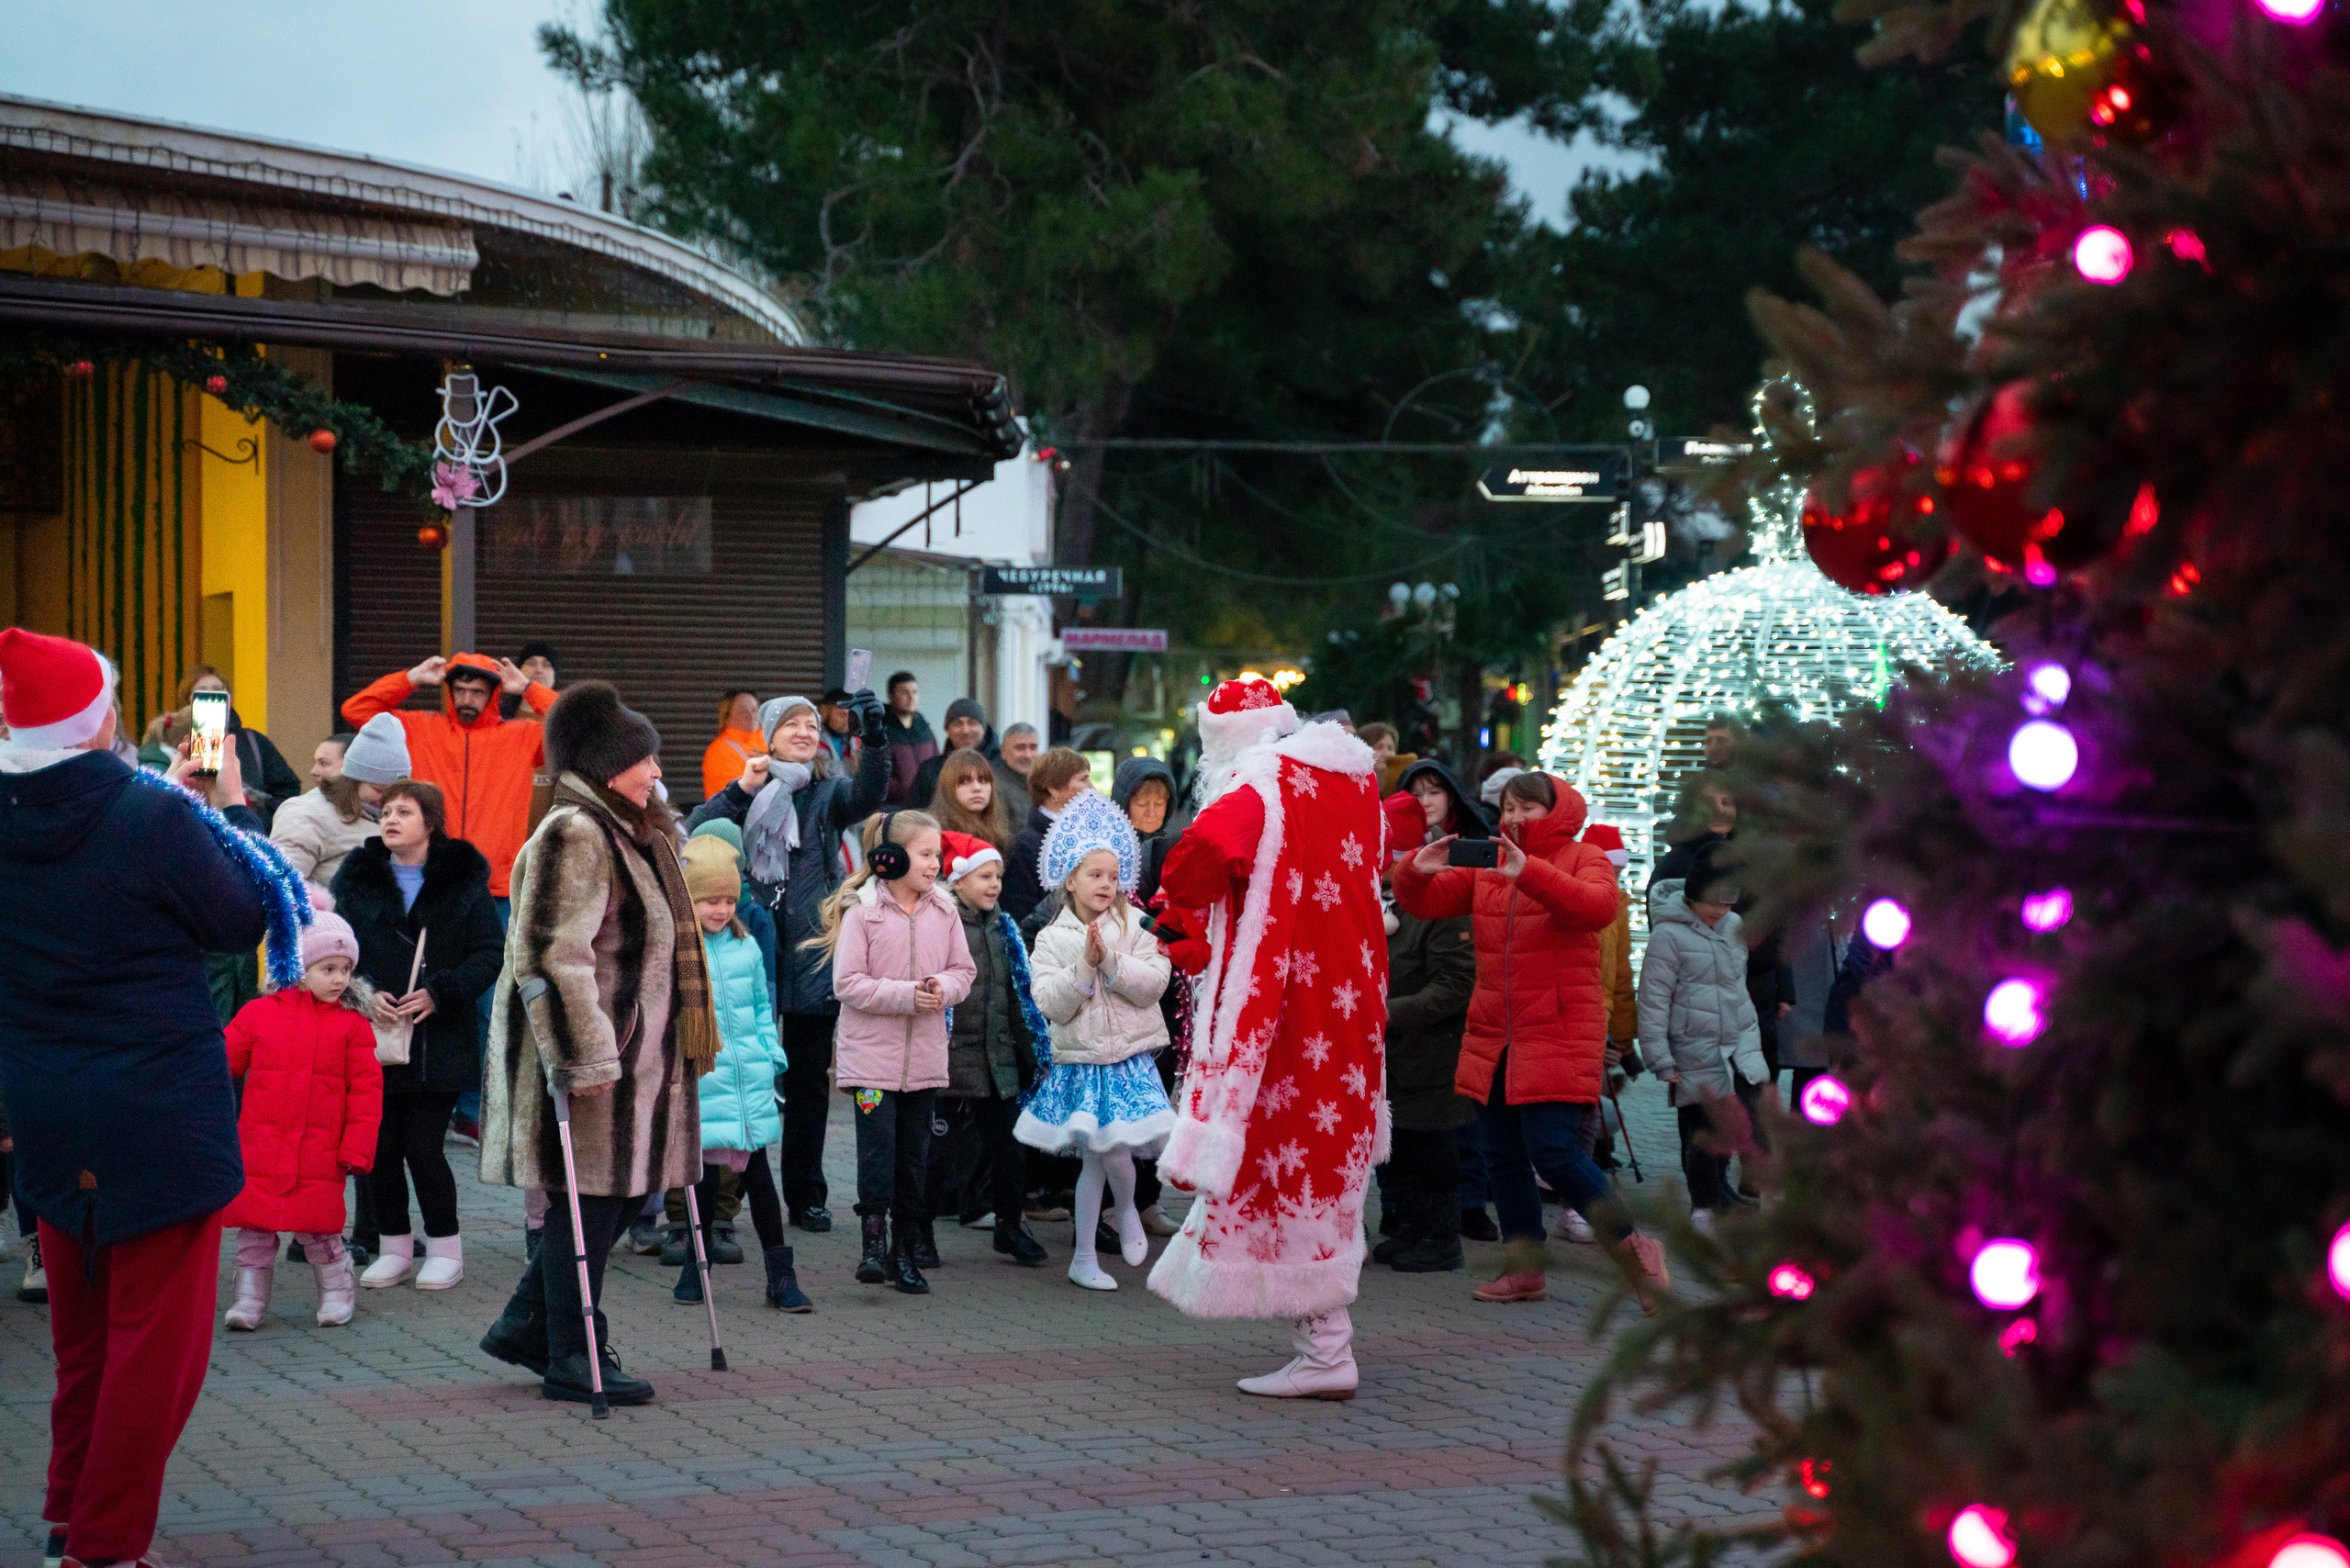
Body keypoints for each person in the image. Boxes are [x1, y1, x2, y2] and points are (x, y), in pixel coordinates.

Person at [0, 628, 307, 1568]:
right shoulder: (150, 814)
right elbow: (239, 918)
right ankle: (103, 1547)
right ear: (99, 720)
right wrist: (220, 806)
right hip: (160, 1112)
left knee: (85, 1344)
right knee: (154, 1353)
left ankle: (70, 1519)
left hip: (49, 1107)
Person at [1146, 677, 1388, 1400]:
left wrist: (1179, 905)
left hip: (1279, 1012)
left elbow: (1197, 860)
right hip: (1349, 1009)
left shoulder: (1257, 785)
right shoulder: (1354, 780)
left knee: (1277, 1159)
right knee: (1323, 1162)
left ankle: (1326, 1351)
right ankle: (1323, 1342)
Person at [476, 682, 714, 1406]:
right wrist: (584, 1056)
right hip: (599, 1059)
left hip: (639, 1060)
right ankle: (573, 1352)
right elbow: (552, 953)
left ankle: (527, 1325)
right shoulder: (577, 832)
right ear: (610, 765)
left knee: (619, 1194)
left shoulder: (633, 833)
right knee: (588, 1204)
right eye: (645, 759)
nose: (656, 772)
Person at [1392, 769, 1670, 1311]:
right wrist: (1414, 871)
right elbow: (1425, 903)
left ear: (1555, 811)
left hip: (1557, 1029)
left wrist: (1530, 872)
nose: (1516, 818)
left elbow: (1596, 908)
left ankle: (1635, 1250)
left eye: (1528, 808)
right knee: (1503, 1156)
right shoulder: (1490, 864)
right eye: (1509, 808)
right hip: (1495, 1032)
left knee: (1554, 1151)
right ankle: (1524, 1267)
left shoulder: (1585, 856)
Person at [687, 689, 891, 1233]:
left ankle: (805, 1195)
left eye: (810, 725)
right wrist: (742, 788)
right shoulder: (749, 785)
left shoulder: (829, 791)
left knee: (807, 1082)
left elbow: (870, 793)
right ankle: (723, 1205)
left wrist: (875, 738)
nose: (803, 732)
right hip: (746, 945)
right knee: (735, 1072)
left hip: (811, 948)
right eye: (790, 724)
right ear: (769, 735)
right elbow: (701, 831)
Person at [332, 780, 504, 1291]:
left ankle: (446, 1248)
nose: (390, 819)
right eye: (386, 811)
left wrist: (441, 992)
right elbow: (337, 949)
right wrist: (363, 993)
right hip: (377, 1036)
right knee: (382, 1148)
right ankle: (395, 1247)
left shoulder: (463, 878)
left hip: (440, 1039)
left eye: (404, 812)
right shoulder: (359, 876)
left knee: (423, 1146)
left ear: (430, 823)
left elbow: (489, 953)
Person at [812, 809, 975, 1295]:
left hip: (924, 1063)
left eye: (937, 854)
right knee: (877, 1154)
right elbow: (847, 983)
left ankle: (905, 1252)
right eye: (925, 854)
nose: (935, 864)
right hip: (871, 1066)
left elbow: (963, 972)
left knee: (913, 1160)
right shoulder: (863, 912)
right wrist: (907, 995)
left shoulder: (945, 911)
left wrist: (942, 987)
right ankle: (872, 1247)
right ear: (892, 857)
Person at [1017, 793, 1175, 1292]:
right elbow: (1050, 1002)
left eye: (1113, 875)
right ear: (1070, 880)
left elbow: (1156, 982)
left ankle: (1125, 1209)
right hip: (1082, 1066)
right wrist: (1085, 966)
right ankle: (1084, 1257)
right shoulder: (1051, 938)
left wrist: (1111, 962)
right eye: (1095, 875)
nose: (1106, 884)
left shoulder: (1135, 926)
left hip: (1127, 1062)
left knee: (1119, 1153)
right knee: (1096, 1159)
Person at [219, 909, 383, 1331]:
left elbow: (366, 1093)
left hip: (319, 1152)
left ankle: (337, 1290)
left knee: (320, 1231)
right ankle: (249, 1299)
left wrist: (358, 1148)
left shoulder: (352, 1026)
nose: (340, 979)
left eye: (346, 969)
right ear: (297, 967)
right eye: (328, 969)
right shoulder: (258, 1014)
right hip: (261, 1148)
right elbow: (221, 1065)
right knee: (255, 1231)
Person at [674, 835, 810, 1313]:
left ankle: (781, 1274)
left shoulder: (746, 946)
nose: (721, 909)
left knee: (759, 1177)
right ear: (689, 899)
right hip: (704, 1079)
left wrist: (771, 1054)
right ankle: (696, 1264)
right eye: (710, 900)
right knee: (703, 1181)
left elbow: (759, 1006)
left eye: (729, 900)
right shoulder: (677, 952)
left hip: (748, 1078)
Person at [341, 653, 557, 903]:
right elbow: (355, 710)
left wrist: (527, 688)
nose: (467, 699)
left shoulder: (523, 735)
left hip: (497, 886)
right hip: (430, 879)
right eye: (460, 690)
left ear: (493, 694)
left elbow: (579, 726)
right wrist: (411, 678)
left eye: (477, 692)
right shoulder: (420, 728)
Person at [1640, 840, 1770, 1236]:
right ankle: (1704, 1208)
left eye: (1727, 904)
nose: (1719, 911)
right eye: (1712, 903)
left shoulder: (1733, 927)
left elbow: (1737, 986)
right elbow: (1653, 1000)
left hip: (1738, 1043)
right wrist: (1660, 1058)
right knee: (1702, 1130)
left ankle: (1721, 1191)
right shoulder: (1668, 936)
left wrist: (1751, 1038)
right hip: (1693, 1048)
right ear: (1693, 895)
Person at [935, 831, 1051, 1265]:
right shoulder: (941, 923)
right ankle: (918, 1232)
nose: (995, 885)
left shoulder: (1005, 927)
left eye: (998, 877)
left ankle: (1009, 1226)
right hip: (948, 1059)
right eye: (984, 876)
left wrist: (1033, 1054)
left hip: (996, 1057)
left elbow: (1018, 995)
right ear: (959, 880)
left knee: (1009, 1149)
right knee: (938, 1153)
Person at [1375, 846, 1477, 1274]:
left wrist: (1391, 1012)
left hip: (1431, 1049)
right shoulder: (1384, 901)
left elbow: (1456, 981)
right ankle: (1411, 1228)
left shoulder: (1442, 906)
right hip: (1394, 1050)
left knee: (1430, 1144)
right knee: (1400, 1143)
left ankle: (1441, 1238)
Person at [139, 666, 305, 828]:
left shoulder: (252, 740)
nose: (212, 696)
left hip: (248, 827)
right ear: (188, 700)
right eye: (202, 691)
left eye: (219, 690)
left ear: (229, 698)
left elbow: (288, 786)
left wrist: (255, 817)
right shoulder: (172, 743)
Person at [271, 714, 410, 899]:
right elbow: (280, 888)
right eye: (378, 789)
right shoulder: (305, 814)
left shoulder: (387, 817)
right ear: (353, 780)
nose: (387, 799)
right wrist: (329, 912)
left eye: (394, 792)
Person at [1002, 746, 1093, 924]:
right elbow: (1021, 918)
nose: (1092, 788)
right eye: (1083, 779)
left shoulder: (1090, 837)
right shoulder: (1025, 846)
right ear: (1054, 789)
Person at [909, 696, 996, 808]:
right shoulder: (930, 771)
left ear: (984, 729)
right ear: (947, 730)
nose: (965, 731)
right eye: (958, 724)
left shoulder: (999, 768)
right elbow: (912, 813)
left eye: (972, 723)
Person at [926, 745, 1013, 851]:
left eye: (983, 781)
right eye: (965, 782)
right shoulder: (934, 835)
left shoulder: (1001, 834)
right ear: (948, 787)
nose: (977, 788)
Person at [1394, 757, 1490, 844]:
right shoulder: (1394, 846)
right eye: (1415, 795)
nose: (1425, 802)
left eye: (1434, 793)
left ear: (1451, 799)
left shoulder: (1476, 839)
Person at [879, 671, 939, 803]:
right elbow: (877, 774)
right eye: (904, 692)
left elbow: (937, 765)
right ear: (891, 695)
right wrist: (905, 791)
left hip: (927, 805)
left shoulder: (924, 729)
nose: (911, 697)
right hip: (895, 807)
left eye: (915, 692)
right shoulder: (882, 730)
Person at [702, 689, 765, 802]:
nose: (751, 716)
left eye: (754, 710)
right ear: (727, 716)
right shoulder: (719, 751)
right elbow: (734, 797)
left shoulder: (770, 740)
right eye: (743, 712)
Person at [995, 722, 1040, 823]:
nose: (1028, 755)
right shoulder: (995, 788)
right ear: (1003, 751)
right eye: (1020, 748)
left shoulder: (1046, 785)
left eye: (1033, 747)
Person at [818, 688, 861, 769]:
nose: (848, 721)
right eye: (843, 715)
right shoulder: (814, 742)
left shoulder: (854, 742)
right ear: (825, 711)